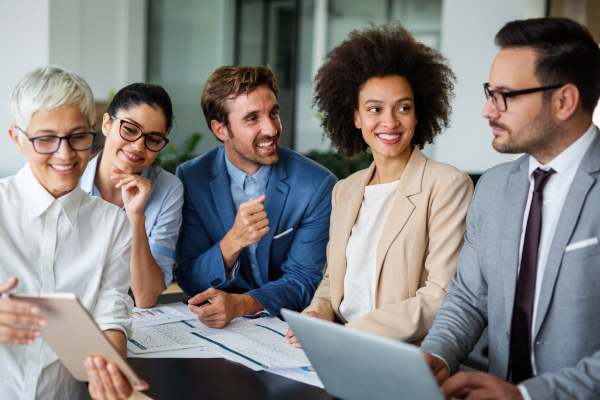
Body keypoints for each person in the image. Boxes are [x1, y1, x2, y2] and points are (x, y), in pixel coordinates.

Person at [421, 18, 600, 400]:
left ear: (564, 101)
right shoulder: (493, 186)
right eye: (490, 92)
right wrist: (437, 355)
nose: (488, 109)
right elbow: (469, 297)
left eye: (505, 95)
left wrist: (528, 396)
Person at [285, 21, 473, 347]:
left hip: (400, 353)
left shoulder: (447, 185)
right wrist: (318, 313)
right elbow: (334, 279)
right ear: (356, 117)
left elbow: (439, 296)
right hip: (337, 345)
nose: (390, 121)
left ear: (417, 115)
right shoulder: (345, 189)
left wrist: (347, 335)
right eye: (375, 109)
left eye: (403, 107)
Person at [1, 67, 147, 400]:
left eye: (78, 137)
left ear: (94, 132)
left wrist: (111, 374)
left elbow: (112, 314)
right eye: (46, 139)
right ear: (17, 139)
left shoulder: (112, 224)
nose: (65, 155)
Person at [175, 65, 337, 328]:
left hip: (288, 327)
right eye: (252, 118)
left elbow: (304, 280)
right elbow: (188, 276)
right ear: (221, 130)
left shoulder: (316, 185)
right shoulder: (192, 178)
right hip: (215, 329)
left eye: (273, 113)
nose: (271, 129)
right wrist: (232, 242)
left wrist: (240, 305)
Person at [80, 83, 183, 308]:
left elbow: (145, 297)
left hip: (132, 320)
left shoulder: (167, 188)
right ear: (107, 124)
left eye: (153, 139)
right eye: (129, 128)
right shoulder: (71, 179)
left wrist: (136, 217)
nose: (138, 146)